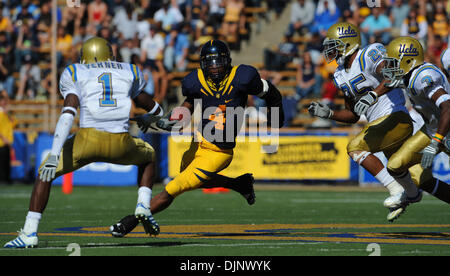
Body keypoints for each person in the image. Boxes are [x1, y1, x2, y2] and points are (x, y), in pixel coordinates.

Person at [110, 40, 285, 237]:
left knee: (175, 187)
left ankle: (130, 221)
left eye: (218, 62)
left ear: (227, 61)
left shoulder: (242, 77)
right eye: (210, 63)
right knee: (193, 178)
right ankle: (239, 184)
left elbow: (272, 93)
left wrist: (276, 117)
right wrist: (169, 119)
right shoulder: (196, 81)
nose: (215, 67)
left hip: (219, 152)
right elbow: (189, 104)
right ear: (203, 65)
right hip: (199, 141)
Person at [4, 37, 163, 248]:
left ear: (86, 55)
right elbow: (150, 105)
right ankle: (143, 204)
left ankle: (29, 233)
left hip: (87, 140)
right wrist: (152, 118)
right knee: (149, 155)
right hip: (121, 141)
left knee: (44, 173)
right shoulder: (128, 70)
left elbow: (68, 113)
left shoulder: (76, 71)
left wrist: (53, 154)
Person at [308, 23, 414, 221]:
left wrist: (373, 95)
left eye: (334, 45)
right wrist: (330, 114)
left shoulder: (369, 54)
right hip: (380, 125)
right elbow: (353, 115)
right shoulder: (340, 74)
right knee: (414, 176)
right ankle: (411, 193)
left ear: (348, 42)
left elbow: (393, 74)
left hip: (395, 117)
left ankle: (395, 190)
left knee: (355, 147)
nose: (330, 51)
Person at [375, 37, 450, 212]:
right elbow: (408, 83)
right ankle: (412, 194)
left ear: (408, 60)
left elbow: (448, 107)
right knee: (395, 165)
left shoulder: (424, 77)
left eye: (393, 63)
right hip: (433, 130)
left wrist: (435, 142)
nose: (389, 67)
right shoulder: (411, 76)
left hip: (443, 131)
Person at [0, 93, 13, 184]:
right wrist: (3, 138)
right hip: (1, 141)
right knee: (2, 162)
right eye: (3, 101)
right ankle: (3, 180)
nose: (5, 102)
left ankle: (6, 179)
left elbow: (14, 123)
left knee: (6, 162)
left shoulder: (5, 114)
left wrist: (8, 114)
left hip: (7, 142)